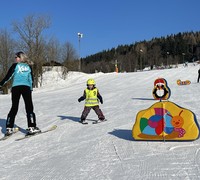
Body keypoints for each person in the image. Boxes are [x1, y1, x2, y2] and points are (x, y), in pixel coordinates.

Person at [0, 51, 41, 136]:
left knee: (14, 107)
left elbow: (8, 76)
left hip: (16, 88)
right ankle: (32, 127)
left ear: (20, 57)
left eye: (16, 57)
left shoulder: (15, 66)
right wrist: (30, 88)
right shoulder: (28, 66)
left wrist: (1, 84)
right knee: (29, 107)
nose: (15, 59)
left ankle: (9, 128)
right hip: (25, 87)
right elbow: (31, 79)